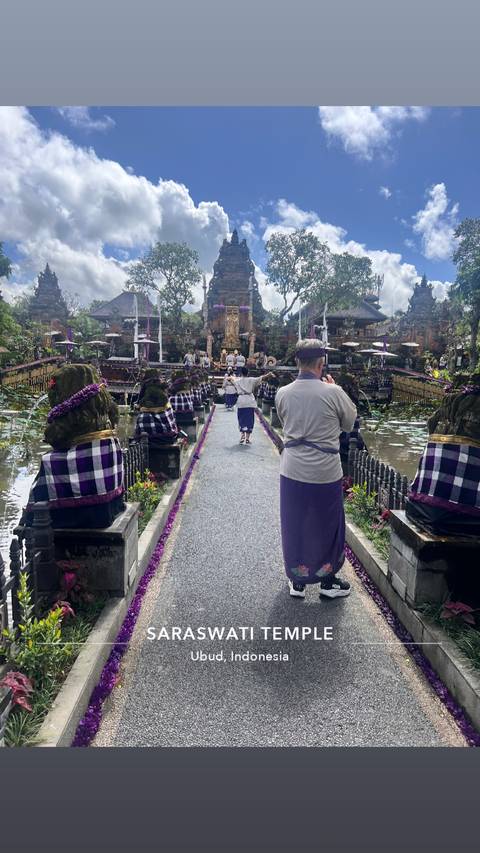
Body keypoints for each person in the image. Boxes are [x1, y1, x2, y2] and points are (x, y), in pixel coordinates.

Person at [275, 339, 357, 600]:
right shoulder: (334, 393)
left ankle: (297, 581)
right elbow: (349, 424)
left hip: (292, 470)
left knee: (294, 523)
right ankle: (327, 581)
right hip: (325, 472)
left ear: (297, 362)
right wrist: (337, 389)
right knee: (328, 525)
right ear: (322, 363)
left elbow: (284, 420)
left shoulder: (283, 393)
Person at [25, 363, 125, 529]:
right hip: (109, 503)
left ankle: (32, 525)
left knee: (49, 462)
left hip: (81, 513)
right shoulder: (103, 418)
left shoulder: (75, 416)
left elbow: (56, 436)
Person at [231, 367, 273, 444]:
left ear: (241, 373)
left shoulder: (238, 381)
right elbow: (262, 377)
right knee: (249, 419)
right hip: (249, 401)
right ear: (248, 373)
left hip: (241, 401)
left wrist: (231, 377)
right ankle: (247, 438)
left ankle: (242, 435)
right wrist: (269, 374)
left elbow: (231, 380)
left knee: (241, 418)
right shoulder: (251, 380)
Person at [134, 378, 178, 446]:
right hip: (167, 440)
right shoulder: (168, 409)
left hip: (149, 444)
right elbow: (174, 429)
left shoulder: (142, 417)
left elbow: (137, 435)